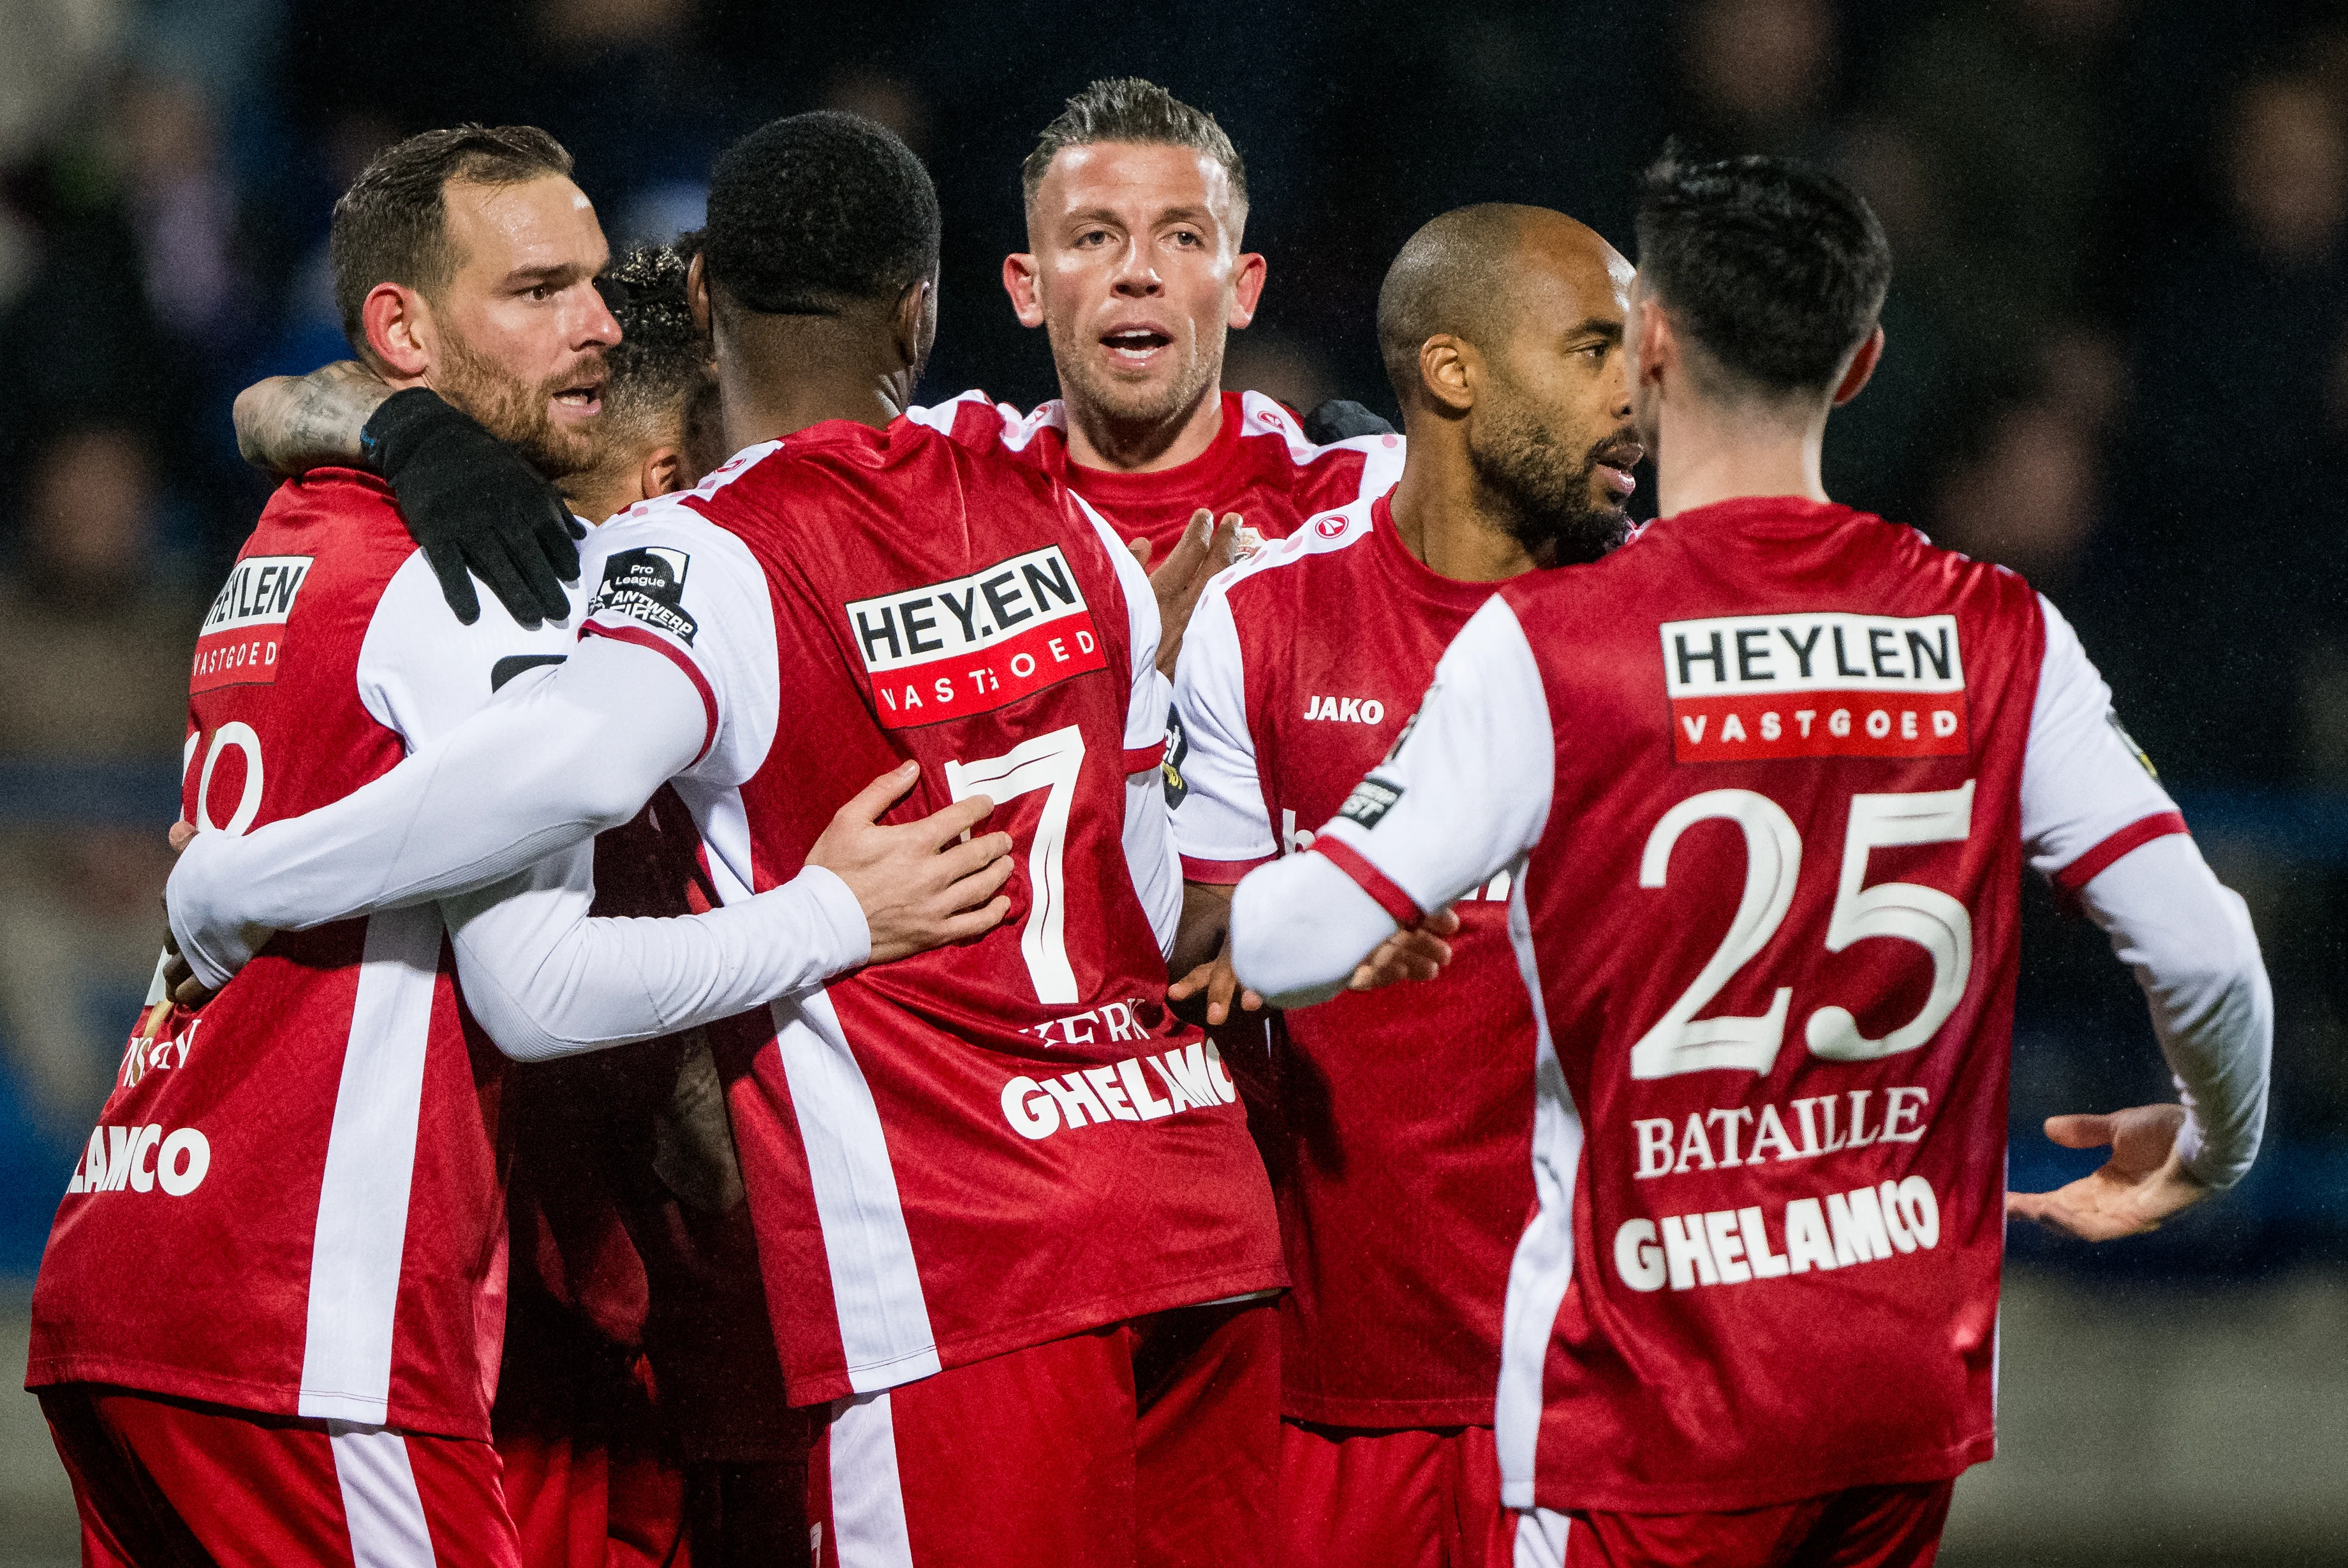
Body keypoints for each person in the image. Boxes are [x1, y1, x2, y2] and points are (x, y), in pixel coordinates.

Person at [163, 112, 1291, 1567]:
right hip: (1174, 1203)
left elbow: (553, 795)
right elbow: (1137, 894)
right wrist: (383, 419)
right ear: (926, 308)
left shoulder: (694, 557)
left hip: (941, 1264)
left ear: (702, 300)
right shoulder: (1062, 517)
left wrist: (235, 877)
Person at [1225, 152, 2273, 1568]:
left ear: (1653, 346)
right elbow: (2206, 952)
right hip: (1897, 1390)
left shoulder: (1556, 646)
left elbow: (1282, 942)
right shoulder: (1997, 630)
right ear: (1862, 366)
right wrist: (2211, 1146)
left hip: (1649, 1395)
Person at [28, 126, 1005, 1566]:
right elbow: (535, 983)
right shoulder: (515, 585)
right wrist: (833, 915)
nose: (593, 324)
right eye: (541, 290)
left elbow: (281, 405)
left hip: (170, 1252)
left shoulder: (305, 534)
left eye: (592, 289)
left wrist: (382, 421)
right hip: (333, 1307)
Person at [230, 78, 1403, 676]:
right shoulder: (949, 471)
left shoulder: (1356, 489)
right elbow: (277, 402)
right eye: (1093, 236)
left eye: (1181, 239)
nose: (1138, 274)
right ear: (1016, 287)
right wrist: (416, 436)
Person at [1166, 203, 1638, 1567]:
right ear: (1452, 373)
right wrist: (1301, 931)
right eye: (1592, 351)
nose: (1633, 397)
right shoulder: (1263, 620)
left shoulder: (1657, 629)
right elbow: (1192, 958)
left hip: (1596, 1390)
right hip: (1322, 1397)